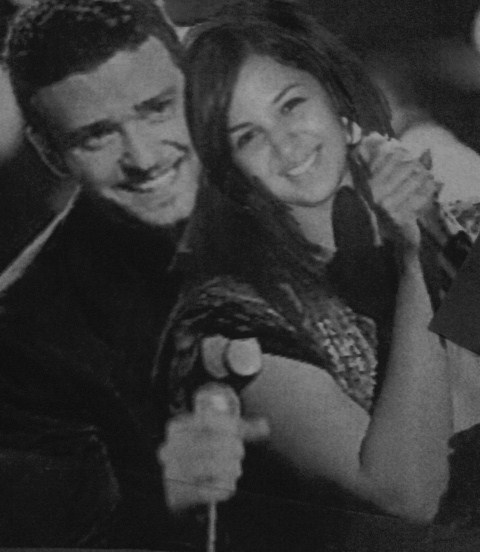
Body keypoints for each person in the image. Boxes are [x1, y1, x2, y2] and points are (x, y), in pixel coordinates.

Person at [158, 0, 457, 533]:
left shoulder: (443, 214)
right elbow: (406, 494)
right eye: (247, 136)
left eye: (291, 105)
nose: (285, 142)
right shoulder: (228, 321)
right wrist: (418, 263)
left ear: (334, 98)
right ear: (226, 170)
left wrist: (437, 233)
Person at [0, 0, 268, 548]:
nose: (143, 158)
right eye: (96, 135)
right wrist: (164, 501)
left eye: (157, 109)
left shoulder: (295, 173)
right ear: (49, 152)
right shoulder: (23, 331)